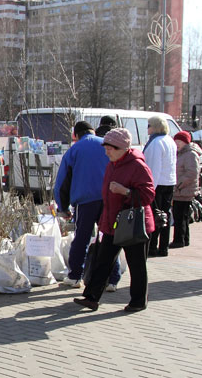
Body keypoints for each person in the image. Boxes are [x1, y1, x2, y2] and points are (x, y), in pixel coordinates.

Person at [74, 128, 155, 312]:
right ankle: (91, 297)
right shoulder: (112, 164)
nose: (107, 152)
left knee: (137, 265)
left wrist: (125, 191)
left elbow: (148, 195)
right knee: (103, 260)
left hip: (133, 223)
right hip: (113, 222)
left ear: (123, 148)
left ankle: (138, 301)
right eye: (106, 148)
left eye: (111, 148)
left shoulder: (138, 166)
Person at [54, 121, 107, 288]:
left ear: (75, 135)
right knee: (109, 238)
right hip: (108, 199)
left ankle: (75, 276)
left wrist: (63, 207)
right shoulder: (107, 144)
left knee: (81, 239)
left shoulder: (74, 150)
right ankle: (111, 279)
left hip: (85, 201)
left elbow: (62, 183)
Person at [94, 115, 121, 292]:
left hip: (90, 199)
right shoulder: (118, 152)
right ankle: (112, 279)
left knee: (102, 241)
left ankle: (96, 282)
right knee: (111, 241)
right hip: (112, 203)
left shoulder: (94, 143)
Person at [142, 115, 177, 257]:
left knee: (155, 216)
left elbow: (154, 167)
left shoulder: (156, 143)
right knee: (165, 215)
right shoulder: (170, 141)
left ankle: (152, 246)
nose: (147, 129)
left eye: (149, 126)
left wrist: (150, 188)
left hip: (158, 183)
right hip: (169, 181)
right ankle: (163, 247)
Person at [170, 131, 200, 248]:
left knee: (180, 216)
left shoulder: (190, 154)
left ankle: (179, 240)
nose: (177, 144)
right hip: (181, 190)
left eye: (179, 142)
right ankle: (184, 239)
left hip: (184, 190)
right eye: (175, 141)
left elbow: (192, 173)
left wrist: (178, 185)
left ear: (185, 142)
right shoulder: (181, 153)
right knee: (182, 216)